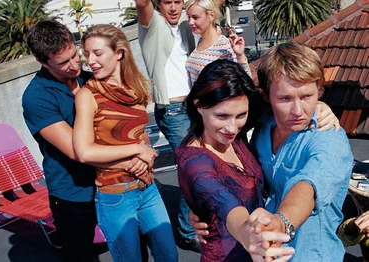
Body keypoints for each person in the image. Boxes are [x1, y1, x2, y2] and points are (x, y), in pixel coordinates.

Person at [72, 24, 178, 262]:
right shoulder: (87, 95)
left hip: (147, 188)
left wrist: (145, 154)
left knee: (169, 256)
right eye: (87, 54)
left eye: (97, 53)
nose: (90, 61)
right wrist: (137, 151)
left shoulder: (135, 87)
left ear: (119, 53)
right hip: (115, 197)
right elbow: (83, 151)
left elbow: (139, 134)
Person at [176, 59, 296, 261]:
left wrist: (318, 108)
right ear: (198, 105)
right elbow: (224, 201)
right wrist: (247, 234)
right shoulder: (194, 162)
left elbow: (283, 100)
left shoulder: (231, 133)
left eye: (241, 115)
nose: (232, 128)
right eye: (221, 116)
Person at [246, 41, 354, 262]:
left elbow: (308, 186)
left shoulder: (329, 137)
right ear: (266, 96)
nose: (297, 110)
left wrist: (281, 223)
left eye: (307, 97)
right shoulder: (263, 125)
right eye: (285, 98)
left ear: (319, 91)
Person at [22, 20, 97, 262]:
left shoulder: (91, 77)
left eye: (75, 55)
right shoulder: (36, 97)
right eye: (63, 63)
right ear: (43, 62)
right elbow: (78, 151)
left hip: (110, 182)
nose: (74, 65)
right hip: (72, 193)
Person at [135, 0, 200, 251]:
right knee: (192, 168)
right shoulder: (153, 25)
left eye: (177, 2)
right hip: (173, 111)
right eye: (167, 2)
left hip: (194, 106)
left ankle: (198, 219)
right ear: (158, 4)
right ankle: (185, 232)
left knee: (204, 163)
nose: (173, 8)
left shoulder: (186, 24)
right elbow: (141, 4)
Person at [185, 0, 251, 86]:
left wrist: (240, 56)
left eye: (195, 17)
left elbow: (246, 81)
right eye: (189, 17)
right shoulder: (200, 41)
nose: (190, 22)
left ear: (211, 16)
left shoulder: (224, 46)